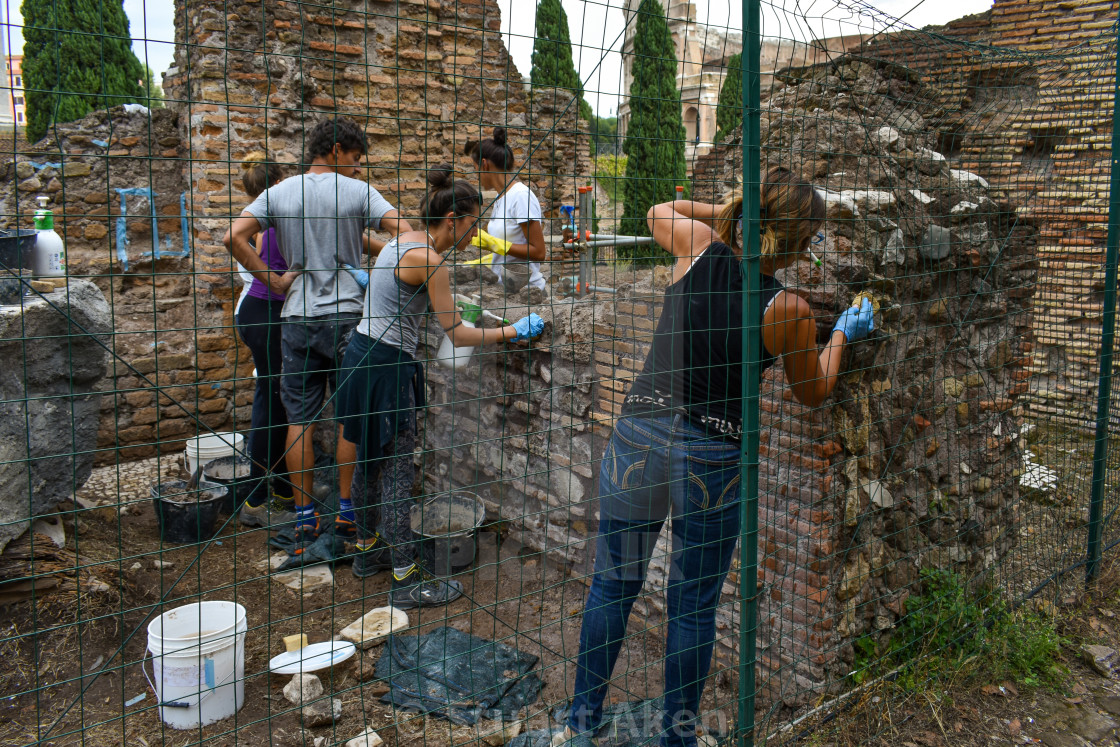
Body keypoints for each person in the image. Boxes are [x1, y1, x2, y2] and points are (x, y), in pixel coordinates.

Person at [558, 167, 875, 747]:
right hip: (709, 454)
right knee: (692, 606)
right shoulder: (790, 309)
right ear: (803, 243)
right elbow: (814, 392)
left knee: (613, 584)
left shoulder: (698, 248)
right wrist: (843, 337)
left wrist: (729, 209)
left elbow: (658, 207)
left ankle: (582, 720)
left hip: (641, 435)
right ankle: (676, 737)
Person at [336, 165, 543, 609]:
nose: (475, 235)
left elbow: (409, 297)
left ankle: (368, 552)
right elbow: (457, 333)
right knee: (395, 467)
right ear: (453, 220)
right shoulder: (430, 259)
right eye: (473, 225)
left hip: (359, 354)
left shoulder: (401, 240)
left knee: (369, 456)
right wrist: (513, 332)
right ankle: (406, 575)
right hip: (387, 367)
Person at [223, 116, 413, 552]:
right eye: (355, 158)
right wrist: (375, 274)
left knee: (299, 419)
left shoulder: (278, 192)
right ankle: (346, 511)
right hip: (349, 316)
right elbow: (405, 234)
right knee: (348, 417)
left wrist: (271, 281)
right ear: (334, 151)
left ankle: (305, 519)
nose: (359, 168)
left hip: (298, 318)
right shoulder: (357, 193)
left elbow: (233, 236)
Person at [232, 155, 298, 527]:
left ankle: (284, 490)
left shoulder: (261, 218)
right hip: (266, 315)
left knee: (278, 402)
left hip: (258, 313)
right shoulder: (271, 224)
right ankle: (258, 500)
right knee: (273, 405)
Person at [465, 127, 547, 291]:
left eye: (476, 170)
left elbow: (539, 253)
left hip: (527, 291)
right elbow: (510, 247)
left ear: (484, 164)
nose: (477, 176)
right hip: (506, 289)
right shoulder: (500, 198)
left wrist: (496, 244)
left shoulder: (521, 196)